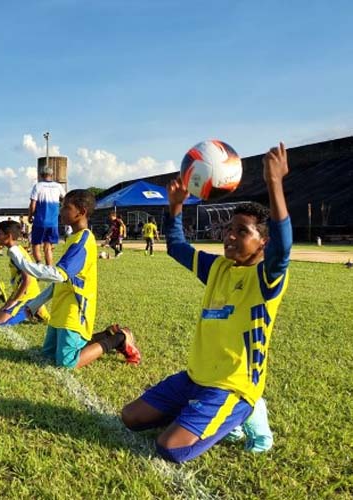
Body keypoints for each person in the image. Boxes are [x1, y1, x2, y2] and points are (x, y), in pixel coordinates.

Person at [120, 143, 292, 463]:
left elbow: (283, 250)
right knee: (130, 418)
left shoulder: (267, 278)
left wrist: (275, 184)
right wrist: (175, 208)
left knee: (171, 448)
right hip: (194, 379)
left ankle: (246, 410)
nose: (229, 236)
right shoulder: (218, 268)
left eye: (242, 231)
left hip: (230, 387)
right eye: (229, 229)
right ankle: (206, 416)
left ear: (262, 242)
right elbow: (176, 247)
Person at [18, 190, 141, 368]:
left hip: (74, 309)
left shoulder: (83, 240)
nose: (61, 211)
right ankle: (109, 334)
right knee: (48, 355)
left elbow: (58, 274)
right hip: (61, 308)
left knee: (66, 363)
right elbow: (61, 279)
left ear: (81, 212)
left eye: (66, 207)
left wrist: (23, 264)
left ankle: (119, 339)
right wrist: (37, 302)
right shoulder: (72, 238)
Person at [0, 220, 50, 326]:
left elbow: (27, 279)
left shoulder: (16, 253)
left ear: (8, 236)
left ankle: (31, 309)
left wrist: (15, 300)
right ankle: (35, 308)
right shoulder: (15, 250)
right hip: (20, 292)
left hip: (27, 295)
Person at [28, 165, 65, 265]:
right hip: (53, 222)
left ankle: (39, 265)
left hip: (40, 221)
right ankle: (49, 268)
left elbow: (33, 204)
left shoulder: (38, 186)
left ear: (41, 175)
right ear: (52, 175)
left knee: (36, 244)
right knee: (48, 246)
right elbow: (65, 200)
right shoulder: (58, 186)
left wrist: (30, 216)